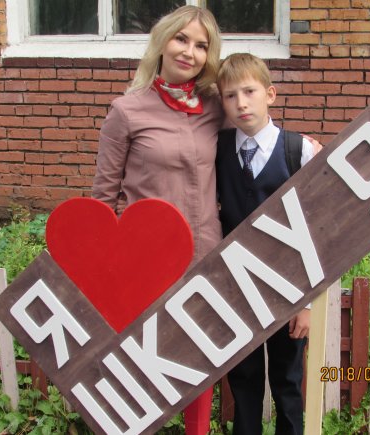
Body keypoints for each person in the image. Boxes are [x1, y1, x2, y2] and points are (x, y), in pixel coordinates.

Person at [92, 6, 224, 435]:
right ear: (163, 42)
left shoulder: (215, 107)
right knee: (141, 359)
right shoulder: (127, 111)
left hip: (205, 254)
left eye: (201, 45)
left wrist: (301, 146)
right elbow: (103, 196)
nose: (189, 52)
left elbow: (257, 129)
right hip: (146, 260)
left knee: (199, 357)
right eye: (181, 39)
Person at [216, 53, 320, 435]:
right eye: (230, 96)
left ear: (270, 94)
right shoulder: (217, 150)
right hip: (237, 288)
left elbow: (316, 230)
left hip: (287, 288)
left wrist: (306, 304)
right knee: (243, 380)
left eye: (249, 92)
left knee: (287, 381)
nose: (241, 103)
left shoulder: (299, 151)